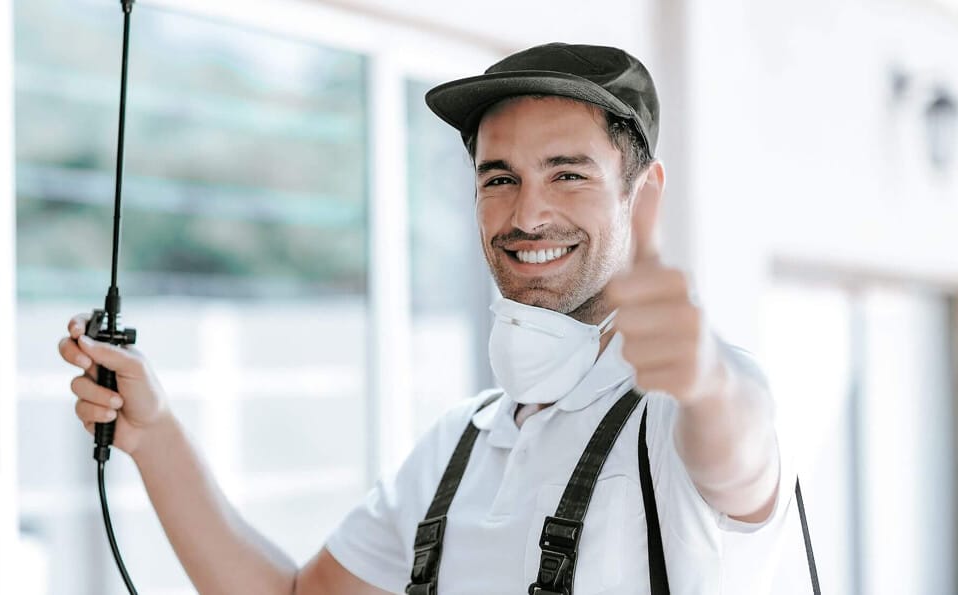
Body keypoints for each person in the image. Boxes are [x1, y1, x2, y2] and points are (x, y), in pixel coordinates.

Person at [58, 42, 809, 594]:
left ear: (642, 197)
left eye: (568, 174)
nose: (528, 214)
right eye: (499, 179)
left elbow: (739, 455)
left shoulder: (679, 413)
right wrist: (153, 436)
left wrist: (707, 381)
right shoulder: (458, 451)